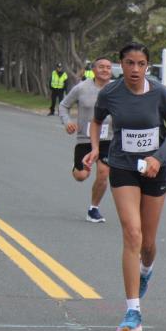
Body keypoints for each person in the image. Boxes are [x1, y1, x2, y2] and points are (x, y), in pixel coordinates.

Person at [83, 42, 166, 331]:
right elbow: (96, 121)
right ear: (121, 65)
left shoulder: (160, 93)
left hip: (154, 169)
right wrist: (95, 148)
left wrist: (158, 158)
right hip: (123, 166)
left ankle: (146, 271)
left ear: (147, 66)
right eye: (129, 63)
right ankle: (132, 312)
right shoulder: (110, 93)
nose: (135, 69)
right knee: (132, 234)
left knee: (148, 245)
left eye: (141, 64)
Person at [59, 56, 114, 223]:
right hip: (86, 138)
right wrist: (67, 122)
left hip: (107, 138)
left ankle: (93, 209)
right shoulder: (81, 88)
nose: (105, 70)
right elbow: (63, 105)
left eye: (108, 67)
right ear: (94, 69)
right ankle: (76, 168)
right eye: (101, 67)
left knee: (104, 173)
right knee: (81, 175)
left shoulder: (117, 89)